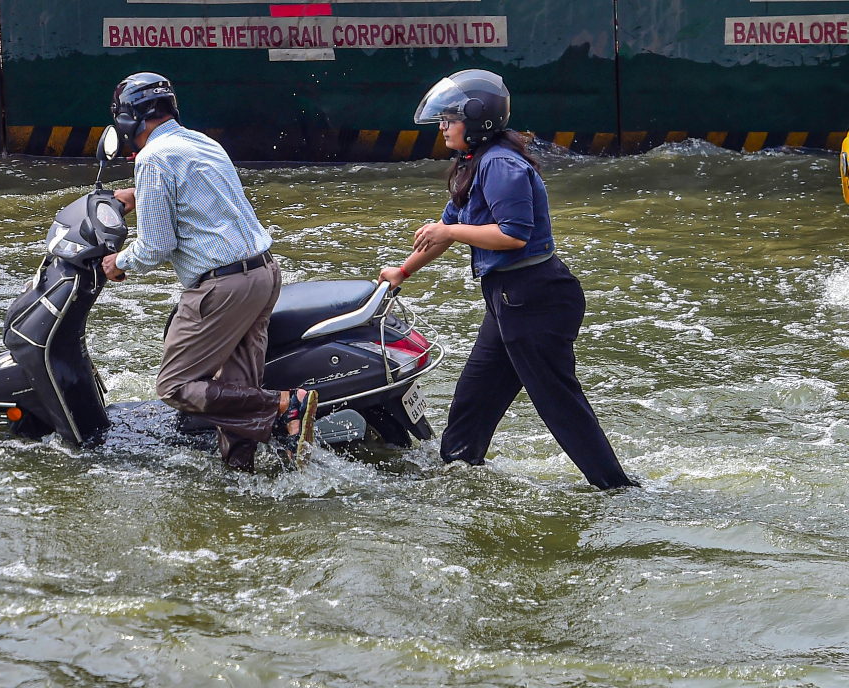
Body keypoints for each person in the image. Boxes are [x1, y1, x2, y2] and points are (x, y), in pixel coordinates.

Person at [379, 69, 637, 490]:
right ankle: (459, 477)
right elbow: (446, 227)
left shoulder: (500, 164)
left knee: (559, 406)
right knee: (471, 403)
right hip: (507, 301)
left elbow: (512, 235)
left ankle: (618, 491)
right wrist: (402, 271)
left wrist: (449, 232)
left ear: (478, 120)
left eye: (450, 118)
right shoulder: (473, 162)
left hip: (535, 298)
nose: (443, 127)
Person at [100, 72, 318, 471]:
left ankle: (287, 404)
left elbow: (156, 246)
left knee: (175, 385)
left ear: (131, 118)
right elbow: (205, 199)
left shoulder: (151, 158)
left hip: (223, 285)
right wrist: (139, 195)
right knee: (237, 391)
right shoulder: (200, 141)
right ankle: (241, 478)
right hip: (263, 274)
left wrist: (119, 262)